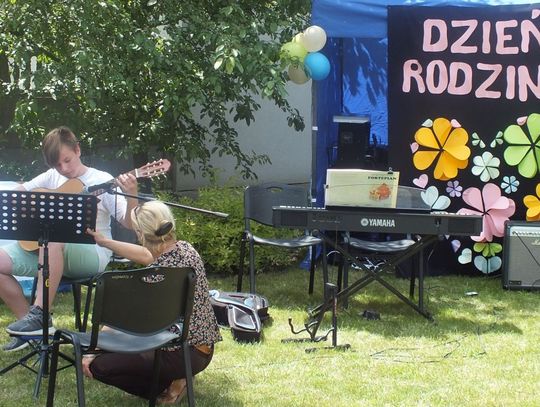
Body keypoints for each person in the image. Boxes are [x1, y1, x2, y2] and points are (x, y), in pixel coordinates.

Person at [0, 126, 139, 352]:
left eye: (67, 160)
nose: (64, 169)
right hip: (49, 249)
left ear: (77, 150)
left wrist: (132, 193)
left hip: (92, 251)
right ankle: (31, 330)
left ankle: (40, 313)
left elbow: (129, 223)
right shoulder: (52, 176)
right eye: (57, 165)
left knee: (54, 238)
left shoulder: (102, 179)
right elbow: (18, 193)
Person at [84, 200, 222, 404]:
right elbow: (148, 255)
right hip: (201, 352)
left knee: (99, 366)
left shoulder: (154, 277)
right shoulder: (187, 251)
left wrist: (93, 350)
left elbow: (123, 321)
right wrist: (105, 242)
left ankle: (165, 386)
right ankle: (178, 377)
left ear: (141, 234)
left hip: (175, 355)